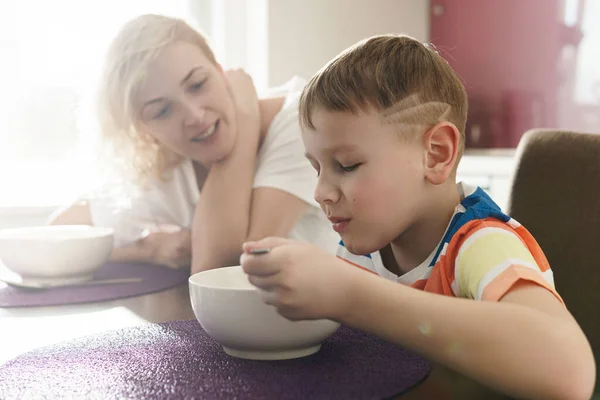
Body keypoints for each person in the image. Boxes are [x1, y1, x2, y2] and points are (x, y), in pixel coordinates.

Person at [240, 35, 595, 399]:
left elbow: (569, 373)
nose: (321, 192)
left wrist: (350, 296)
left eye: (346, 165)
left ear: (436, 154)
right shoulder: (362, 246)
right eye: (316, 168)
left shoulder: (480, 245)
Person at [50, 14, 338, 273]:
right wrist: (147, 250)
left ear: (220, 71)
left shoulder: (302, 122)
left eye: (198, 84)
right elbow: (57, 233)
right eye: (162, 111)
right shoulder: (168, 167)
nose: (195, 116)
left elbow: (229, 273)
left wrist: (246, 118)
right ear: (146, 130)